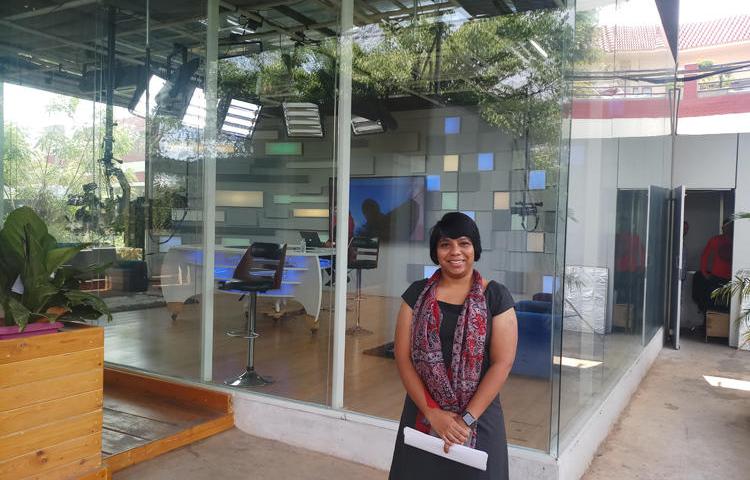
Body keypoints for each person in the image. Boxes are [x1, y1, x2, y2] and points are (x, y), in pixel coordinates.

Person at [389, 212, 518, 480]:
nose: (455, 252)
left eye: (464, 243)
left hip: (478, 417)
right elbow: (403, 358)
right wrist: (433, 413)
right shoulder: (416, 295)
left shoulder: (495, 296)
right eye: (445, 244)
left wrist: (465, 420)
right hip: (423, 413)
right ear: (436, 251)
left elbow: (502, 363)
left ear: (475, 249)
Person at [693, 219, 733, 312]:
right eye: (726, 226)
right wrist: (705, 273)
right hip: (715, 279)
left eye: (731, 226)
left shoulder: (737, 241)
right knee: (712, 306)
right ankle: (710, 325)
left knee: (727, 307)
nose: (728, 228)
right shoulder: (715, 240)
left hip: (731, 280)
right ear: (723, 228)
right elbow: (705, 257)